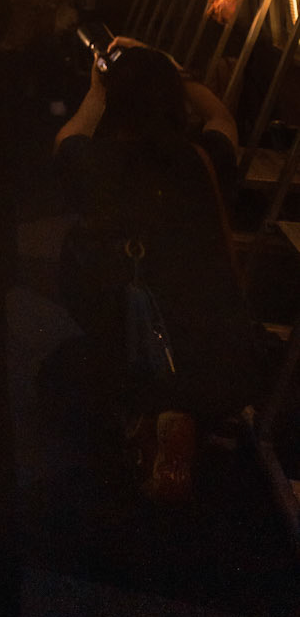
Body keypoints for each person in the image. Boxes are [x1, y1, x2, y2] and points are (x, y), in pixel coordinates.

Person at [52, 38, 256, 500]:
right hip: (224, 357)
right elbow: (221, 117)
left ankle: (147, 412)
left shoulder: (96, 164)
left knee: (60, 374)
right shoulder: (203, 158)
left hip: (138, 346)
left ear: (116, 102)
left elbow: (67, 136)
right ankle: (180, 412)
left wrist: (98, 90)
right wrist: (172, 68)